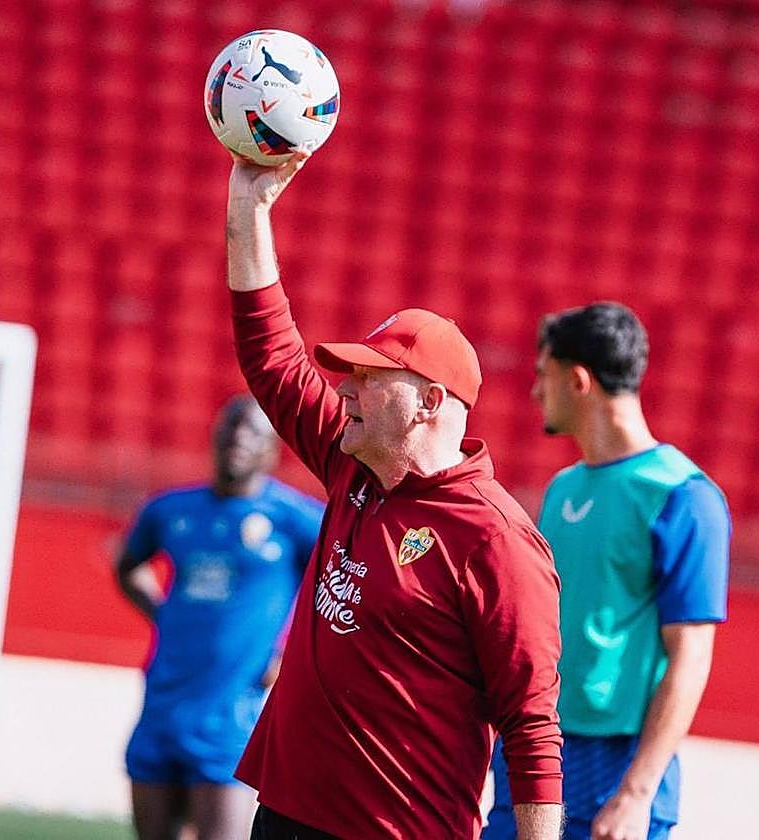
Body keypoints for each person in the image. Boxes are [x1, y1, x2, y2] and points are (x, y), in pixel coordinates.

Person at [223, 151, 564, 840]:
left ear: (429, 403)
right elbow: (270, 355)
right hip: (286, 815)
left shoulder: (494, 539)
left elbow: (531, 725)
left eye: (369, 378)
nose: (344, 390)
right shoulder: (355, 463)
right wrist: (249, 206)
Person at [483, 304, 731, 840]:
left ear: (577, 381)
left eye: (541, 376)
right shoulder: (562, 490)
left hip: (613, 770)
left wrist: (638, 793)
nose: (533, 392)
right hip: (533, 752)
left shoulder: (684, 497)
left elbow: (691, 654)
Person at [116, 395, 324, 840]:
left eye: (252, 431)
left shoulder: (295, 519)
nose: (238, 438)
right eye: (230, 427)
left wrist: (289, 651)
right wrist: (163, 615)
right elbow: (128, 565)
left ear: (272, 449)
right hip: (162, 707)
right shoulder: (171, 510)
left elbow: (343, 580)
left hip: (231, 716)